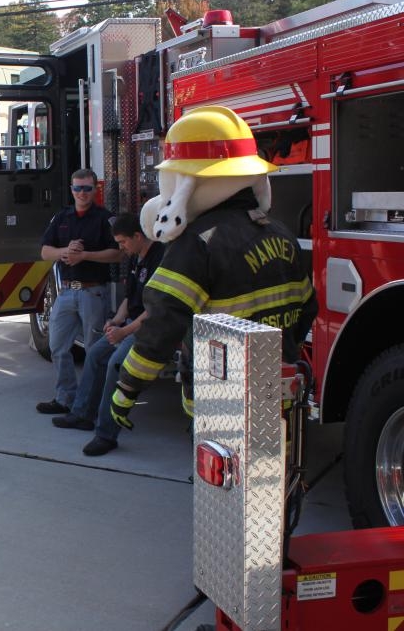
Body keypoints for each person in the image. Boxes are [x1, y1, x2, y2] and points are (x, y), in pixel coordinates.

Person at [107, 105, 318, 455]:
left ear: (188, 180)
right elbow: (308, 306)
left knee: (224, 492)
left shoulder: (196, 243)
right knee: (273, 485)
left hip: (219, 400)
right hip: (273, 393)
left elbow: (161, 324)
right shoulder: (281, 232)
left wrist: (126, 390)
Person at [49, 213, 164, 454]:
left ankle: (106, 434)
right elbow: (129, 300)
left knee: (114, 364)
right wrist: (116, 320)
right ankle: (82, 414)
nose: (121, 248)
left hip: (150, 329)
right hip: (131, 323)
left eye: (123, 242)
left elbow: (154, 311)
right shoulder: (136, 258)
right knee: (95, 355)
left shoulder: (160, 260)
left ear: (138, 236)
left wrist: (124, 332)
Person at [35, 168, 122, 416]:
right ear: (71, 189)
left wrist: (85, 255)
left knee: (94, 350)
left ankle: (89, 403)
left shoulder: (106, 219)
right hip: (66, 294)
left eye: (87, 188)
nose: (82, 193)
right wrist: (64, 252)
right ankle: (65, 398)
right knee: (57, 347)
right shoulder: (62, 217)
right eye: (77, 188)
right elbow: (44, 251)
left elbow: (118, 254)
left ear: (95, 189)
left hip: (93, 293)